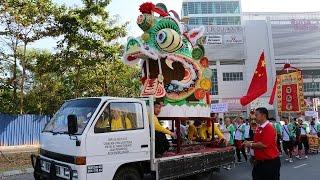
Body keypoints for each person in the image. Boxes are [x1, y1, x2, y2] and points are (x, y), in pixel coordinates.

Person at [244, 107, 280, 180]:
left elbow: (263, 144)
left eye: (256, 115)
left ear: (263, 115)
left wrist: (250, 144)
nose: (254, 117)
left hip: (269, 163)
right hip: (259, 162)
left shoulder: (268, 127)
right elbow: (258, 141)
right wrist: (250, 142)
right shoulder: (259, 127)